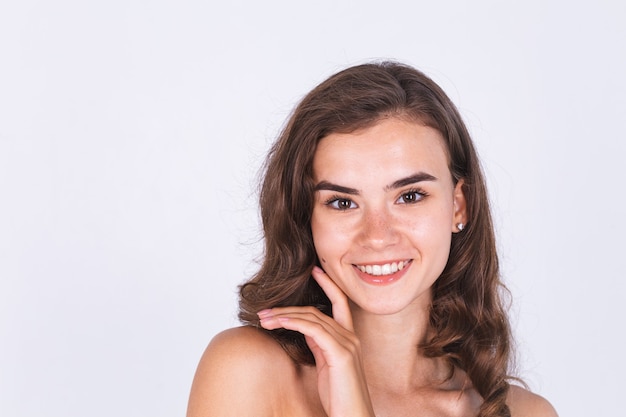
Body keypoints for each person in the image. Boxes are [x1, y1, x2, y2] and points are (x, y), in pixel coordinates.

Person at [186, 61, 558, 417]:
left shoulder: (527, 413)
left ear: (459, 206)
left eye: (410, 196)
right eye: (343, 202)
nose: (377, 236)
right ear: (306, 217)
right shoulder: (247, 371)